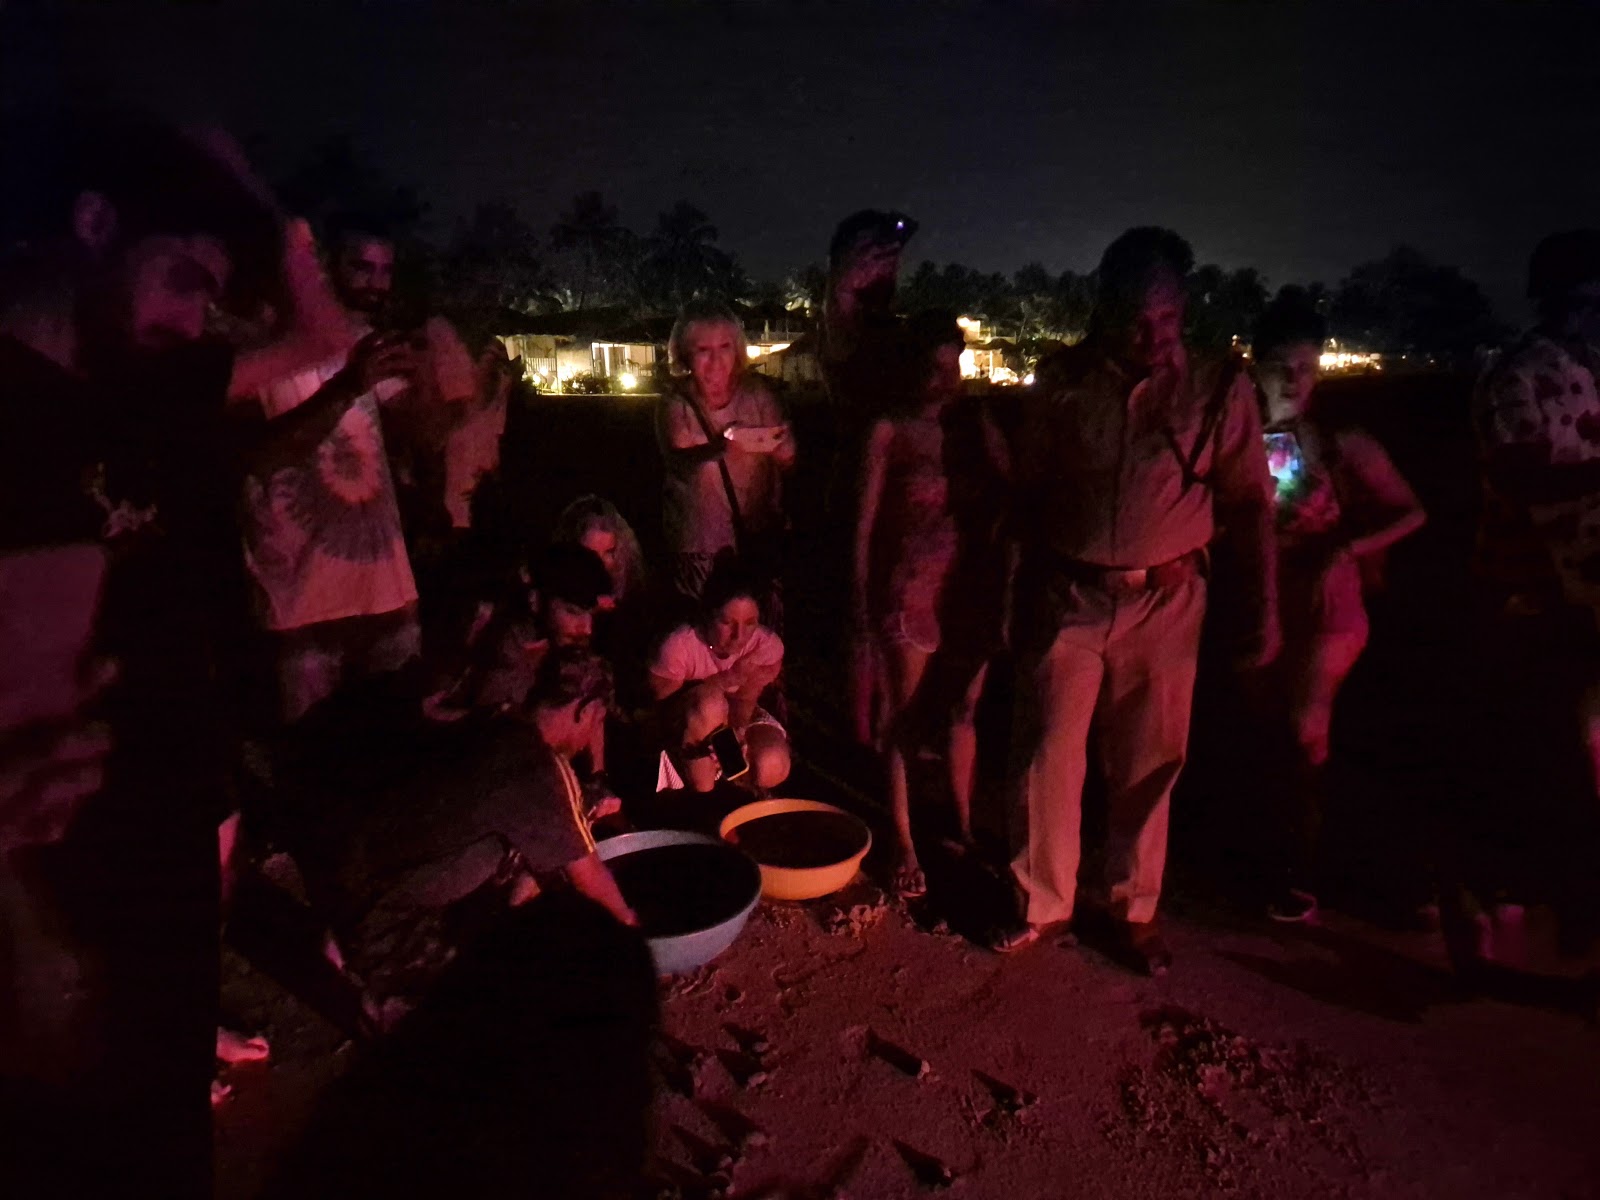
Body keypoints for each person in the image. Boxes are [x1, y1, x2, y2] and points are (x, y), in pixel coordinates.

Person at [0, 112, 278, 1198]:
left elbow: (313, 332)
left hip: (153, 858)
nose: (193, 319)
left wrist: (252, 206)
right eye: (179, 280)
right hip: (49, 913)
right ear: (92, 224)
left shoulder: (136, 385)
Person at [996, 227, 1279, 970]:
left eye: (1166, 318)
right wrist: (1013, 594)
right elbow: (1028, 493)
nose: (1152, 336)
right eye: (1135, 318)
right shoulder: (1063, 382)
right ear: (1104, 307)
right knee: (1045, 755)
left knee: (1149, 763)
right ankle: (1041, 904)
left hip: (1167, 602)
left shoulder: (1218, 388)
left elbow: (1250, 504)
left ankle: (1134, 910)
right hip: (1069, 594)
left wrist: (1264, 611)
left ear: (1183, 310)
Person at [234, 213, 475, 724]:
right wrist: (348, 386)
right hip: (301, 607)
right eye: (362, 268)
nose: (376, 284)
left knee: (394, 750)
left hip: (386, 596)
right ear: (324, 266)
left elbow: (426, 436)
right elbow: (255, 458)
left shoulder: (363, 344)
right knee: (310, 756)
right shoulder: (258, 346)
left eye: (386, 271)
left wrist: (423, 372)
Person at [339, 648, 636, 1026]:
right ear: (585, 709)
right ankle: (388, 989)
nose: (592, 735)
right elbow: (590, 879)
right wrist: (632, 932)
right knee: (497, 1017)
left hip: (362, 860)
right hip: (386, 912)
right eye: (598, 720)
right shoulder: (538, 769)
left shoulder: (498, 720)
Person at [1251, 290, 1425, 922]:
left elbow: (1410, 510)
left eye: (1307, 366)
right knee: (1274, 728)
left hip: (1327, 603)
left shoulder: (1338, 441)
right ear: (1256, 365)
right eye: (1282, 366)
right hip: (1263, 598)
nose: (1295, 379)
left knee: (1306, 727)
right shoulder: (1238, 439)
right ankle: (1283, 861)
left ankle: (1301, 874)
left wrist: (1345, 548)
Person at [1468, 231, 1600, 960]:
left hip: (1585, 594)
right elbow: (1522, 478)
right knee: (1544, 759)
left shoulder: (1588, 369)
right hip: (1531, 595)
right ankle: (1528, 911)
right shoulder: (1516, 376)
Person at [853, 313, 1011, 896]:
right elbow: (865, 521)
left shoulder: (972, 426)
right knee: (908, 714)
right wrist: (859, 593)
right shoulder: (889, 429)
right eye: (933, 368)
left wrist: (986, 431)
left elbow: (1011, 490)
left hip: (967, 586)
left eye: (953, 367)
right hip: (910, 584)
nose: (945, 380)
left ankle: (962, 825)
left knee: (964, 709)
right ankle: (904, 838)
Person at [656, 301, 796, 615]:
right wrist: (721, 448)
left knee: (755, 627)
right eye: (703, 350)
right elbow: (678, 465)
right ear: (685, 354)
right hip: (699, 547)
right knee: (704, 625)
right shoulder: (677, 404)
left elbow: (788, 461)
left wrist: (783, 447)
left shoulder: (759, 395)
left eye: (725, 347)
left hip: (757, 541)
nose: (716, 361)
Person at [650, 562, 791, 795]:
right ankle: (704, 793)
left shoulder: (764, 646)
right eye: (727, 623)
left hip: (731, 713)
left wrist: (737, 731)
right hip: (687, 725)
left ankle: (734, 786)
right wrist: (727, 679)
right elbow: (661, 708)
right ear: (708, 616)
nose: (739, 636)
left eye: (750, 623)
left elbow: (745, 699)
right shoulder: (678, 646)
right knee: (710, 704)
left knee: (772, 763)